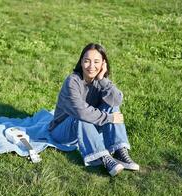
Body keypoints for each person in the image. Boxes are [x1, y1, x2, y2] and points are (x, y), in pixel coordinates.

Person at [48, 43, 139, 176]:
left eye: (96, 61)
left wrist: (102, 79)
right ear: (81, 62)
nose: (91, 66)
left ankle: (119, 151)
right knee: (80, 117)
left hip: (89, 126)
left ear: (103, 63)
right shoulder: (72, 81)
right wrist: (109, 118)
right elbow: (81, 111)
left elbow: (117, 101)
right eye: (87, 61)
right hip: (62, 131)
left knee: (111, 104)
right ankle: (104, 157)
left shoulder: (100, 81)